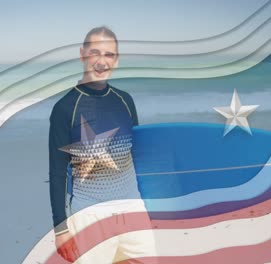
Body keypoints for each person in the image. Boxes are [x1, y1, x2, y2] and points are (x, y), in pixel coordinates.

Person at [48, 26, 156, 263]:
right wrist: (61, 229)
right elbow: (57, 173)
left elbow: (137, 159)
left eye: (109, 54)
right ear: (82, 54)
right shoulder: (66, 108)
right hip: (90, 214)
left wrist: (149, 205)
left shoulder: (125, 101)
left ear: (116, 60)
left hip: (133, 209)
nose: (101, 61)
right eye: (95, 52)